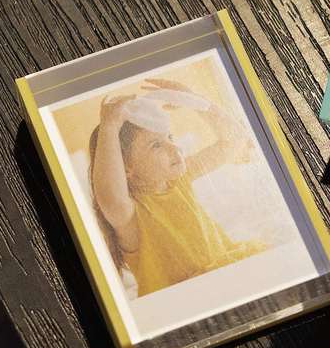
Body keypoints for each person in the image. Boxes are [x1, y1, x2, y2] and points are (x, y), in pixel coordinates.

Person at [88, 77, 266, 298]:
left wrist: (194, 99)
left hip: (227, 276)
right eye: (156, 145)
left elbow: (235, 140)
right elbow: (110, 198)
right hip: (185, 300)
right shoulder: (130, 215)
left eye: (170, 137)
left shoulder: (178, 179)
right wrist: (109, 127)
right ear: (125, 168)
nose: (175, 147)